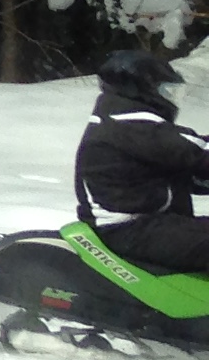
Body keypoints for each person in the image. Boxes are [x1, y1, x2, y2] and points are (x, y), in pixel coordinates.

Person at [75, 49, 209, 276]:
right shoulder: (132, 124)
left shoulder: (118, 120)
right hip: (132, 229)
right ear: (140, 89)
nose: (170, 99)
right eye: (166, 91)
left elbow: (184, 169)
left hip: (142, 225)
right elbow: (197, 152)